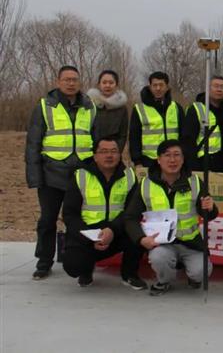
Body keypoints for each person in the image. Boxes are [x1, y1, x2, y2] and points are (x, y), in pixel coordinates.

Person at [25, 65, 97, 280]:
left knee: (79, 220)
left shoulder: (89, 107)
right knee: (47, 220)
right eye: (67, 79)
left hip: (81, 175)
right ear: (58, 82)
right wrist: (35, 177)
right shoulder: (45, 106)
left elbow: (96, 140)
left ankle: (81, 261)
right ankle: (44, 261)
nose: (71, 83)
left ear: (79, 82)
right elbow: (33, 144)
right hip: (51, 175)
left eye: (74, 79)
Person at [124, 140, 218, 296]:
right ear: (158, 159)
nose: (172, 160)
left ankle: (193, 277)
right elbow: (130, 217)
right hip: (162, 244)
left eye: (177, 155)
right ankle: (164, 281)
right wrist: (141, 239)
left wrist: (210, 208)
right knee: (159, 258)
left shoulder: (195, 182)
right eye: (167, 155)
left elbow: (209, 214)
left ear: (183, 159)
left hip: (191, 243)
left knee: (201, 272)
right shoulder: (146, 184)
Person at [62, 138, 145, 289]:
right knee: (73, 265)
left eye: (114, 151)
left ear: (119, 155)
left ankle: (129, 274)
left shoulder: (130, 176)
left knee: (137, 231)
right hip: (88, 231)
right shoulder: (80, 176)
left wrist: (112, 230)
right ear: (95, 156)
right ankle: (86, 270)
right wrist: (90, 236)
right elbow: (69, 214)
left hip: (118, 229)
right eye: (104, 151)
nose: (109, 155)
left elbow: (132, 212)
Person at [129, 72, 183, 168]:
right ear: (150, 87)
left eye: (161, 85)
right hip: (148, 161)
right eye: (155, 85)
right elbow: (134, 137)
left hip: (173, 160)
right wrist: (137, 161)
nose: (158, 88)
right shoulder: (139, 109)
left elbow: (184, 135)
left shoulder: (176, 107)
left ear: (167, 87)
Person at [182, 75, 223, 172]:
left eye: (222, 87)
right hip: (201, 162)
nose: (219, 89)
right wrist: (192, 165)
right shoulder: (196, 109)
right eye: (216, 86)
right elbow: (188, 141)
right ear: (208, 89)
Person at [87, 69, 129, 152]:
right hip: (92, 151)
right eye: (104, 82)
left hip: (114, 152)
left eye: (111, 83)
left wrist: (115, 151)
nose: (107, 85)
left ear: (116, 85)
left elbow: (123, 135)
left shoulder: (122, 108)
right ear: (99, 85)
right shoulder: (90, 105)